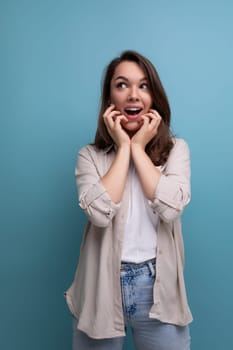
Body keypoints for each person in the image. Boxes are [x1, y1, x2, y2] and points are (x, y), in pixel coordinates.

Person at [65, 50, 192, 350]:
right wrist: (124, 148)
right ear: (109, 98)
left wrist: (139, 149)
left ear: (154, 96)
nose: (133, 95)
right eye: (121, 85)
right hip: (100, 289)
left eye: (143, 86)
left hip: (159, 291)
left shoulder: (177, 151)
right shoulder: (90, 157)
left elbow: (171, 209)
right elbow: (99, 213)